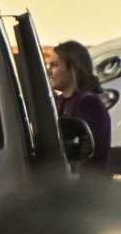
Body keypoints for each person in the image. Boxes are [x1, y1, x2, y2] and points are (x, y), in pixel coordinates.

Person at [48, 40, 111, 173]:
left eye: (54, 65)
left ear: (73, 67)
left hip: (88, 185)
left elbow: (88, 154)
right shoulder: (62, 101)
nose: (49, 71)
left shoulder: (88, 103)